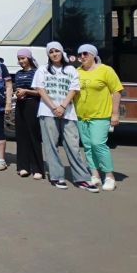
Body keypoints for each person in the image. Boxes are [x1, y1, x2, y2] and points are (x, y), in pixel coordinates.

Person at [32, 42, 99, 192]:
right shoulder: (42, 69)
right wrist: (54, 107)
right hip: (47, 111)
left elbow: (73, 89)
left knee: (73, 145)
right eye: (51, 52)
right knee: (51, 146)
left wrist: (62, 106)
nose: (54, 54)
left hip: (68, 112)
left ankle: (82, 178)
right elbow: (40, 90)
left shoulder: (70, 69)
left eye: (57, 51)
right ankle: (57, 176)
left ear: (62, 52)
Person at [74, 44, 123, 191]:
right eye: (80, 54)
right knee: (88, 147)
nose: (82, 57)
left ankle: (109, 176)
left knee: (98, 144)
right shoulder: (76, 72)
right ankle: (94, 174)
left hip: (100, 115)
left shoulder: (105, 70)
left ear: (93, 55)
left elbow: (117, 91)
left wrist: (115, 113)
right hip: (82, 116)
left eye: (85, 54)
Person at [13, 48, 44, 180]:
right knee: (21, 137)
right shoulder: (18, 73)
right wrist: (17, 95)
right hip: (20, 105)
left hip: (33, 105)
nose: (21, 61)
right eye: (19, 59)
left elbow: (40, 92)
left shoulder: (37, 72)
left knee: (34, 136)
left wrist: (26, 91)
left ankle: (37, 168)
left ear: (29, 58)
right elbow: (17, 90)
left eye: (23, 58)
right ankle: (23, 166)